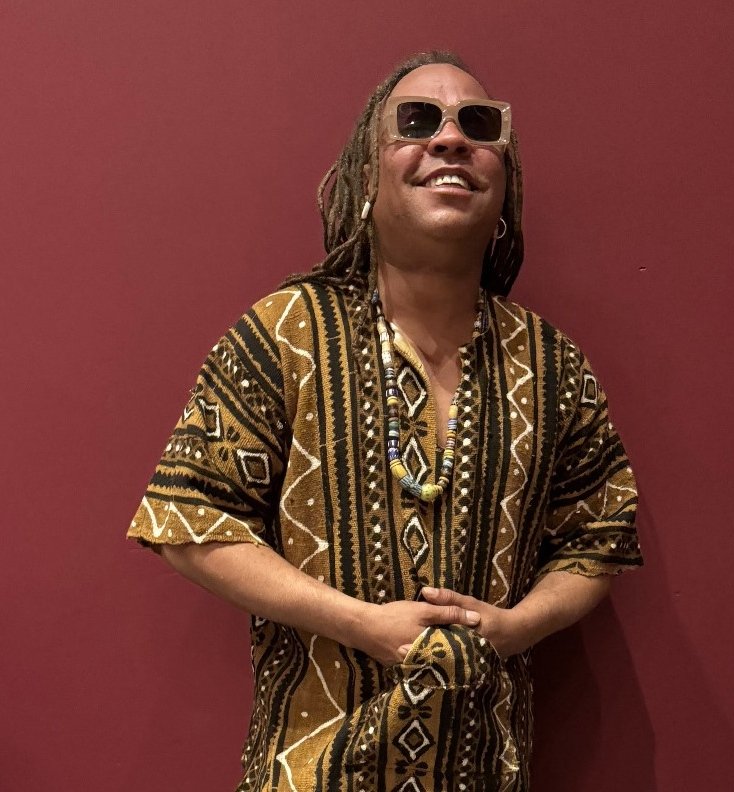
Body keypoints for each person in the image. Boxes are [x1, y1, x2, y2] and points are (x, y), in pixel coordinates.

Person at [128, 51, 642, 792]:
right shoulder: (285, 334)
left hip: (485, 771)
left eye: (479, 124)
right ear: (368, 173)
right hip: (309, 772)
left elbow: (599, 536)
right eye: (418, 120)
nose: (451, 138)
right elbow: (187, 519)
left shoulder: (553, 364)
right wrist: (357, 622)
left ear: (506, 183)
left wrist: (516, 628)